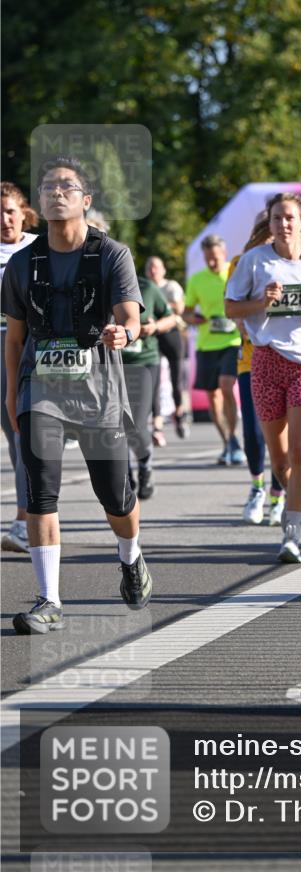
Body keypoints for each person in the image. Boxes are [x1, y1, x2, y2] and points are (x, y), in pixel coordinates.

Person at [1, 156, 152, 634]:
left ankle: (130, 556)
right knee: (40, 489)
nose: (56, 193)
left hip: (97, 393)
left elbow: (130, 315)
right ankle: (49, 599)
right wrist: (12, 395)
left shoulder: (112, 254)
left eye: (67, 186)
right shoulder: (22, 264)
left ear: (86, 200)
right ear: (39, 202)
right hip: (40, 390)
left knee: (116, 496)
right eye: (48, 187)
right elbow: (14, 338)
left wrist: (124, 333)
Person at [225, 192, 301, 564]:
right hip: (266, 361)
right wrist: (262, 302)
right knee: (279, 461)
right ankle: (288, 496)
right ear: (270, 222)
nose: (283, 224)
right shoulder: (254, 261)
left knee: (299, 451)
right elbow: (230, 308)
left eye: (290, 217)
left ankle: (292, 535)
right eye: (277, 218)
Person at [227, 213, 286, 526]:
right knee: (252, 429)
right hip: (251, 357)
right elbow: (232, 306)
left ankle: (278, 495)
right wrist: (243, 323)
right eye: (268, 228)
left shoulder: (292, 264)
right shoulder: (240, 263)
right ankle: (257, 487)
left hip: (286, 356)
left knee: (279, 433)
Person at [183, 234, 245, 465]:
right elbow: (186, 313)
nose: (212, 262)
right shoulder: (197, 279)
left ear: (224, 254)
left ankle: (234, 438)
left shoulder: (235, 273)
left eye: (215, 258)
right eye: (208, 258)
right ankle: (228, 441)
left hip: (232, 341)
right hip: (206, 344)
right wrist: (194, 319)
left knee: (226, 385)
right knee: (213, 395)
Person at [1, 181, 38, 553]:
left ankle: (27, 521)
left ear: (23, 213)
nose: (4, 219)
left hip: (30, 347)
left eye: (10, 211)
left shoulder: (39, 247)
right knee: (14, 439)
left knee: (24, 433)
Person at [122, 274, 175, 498]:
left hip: (144, 362)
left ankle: (145, 465)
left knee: (135, 423)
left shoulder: (147, 288)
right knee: (116, 424)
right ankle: (124, 475)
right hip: (111, 365)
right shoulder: (99, 285)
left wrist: (154, 327)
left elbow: (170, 318)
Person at [145, 255, 190, 440]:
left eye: (156, 267)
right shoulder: (145, 288)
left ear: (163, 270)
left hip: (171, 333)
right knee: (153, 380)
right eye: (150, 267)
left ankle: (179, 413)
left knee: (176, 378)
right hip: (153, 336)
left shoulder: (171, 286)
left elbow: (179, 308)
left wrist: (157, 306)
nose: (153, 270)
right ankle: (157, 422)